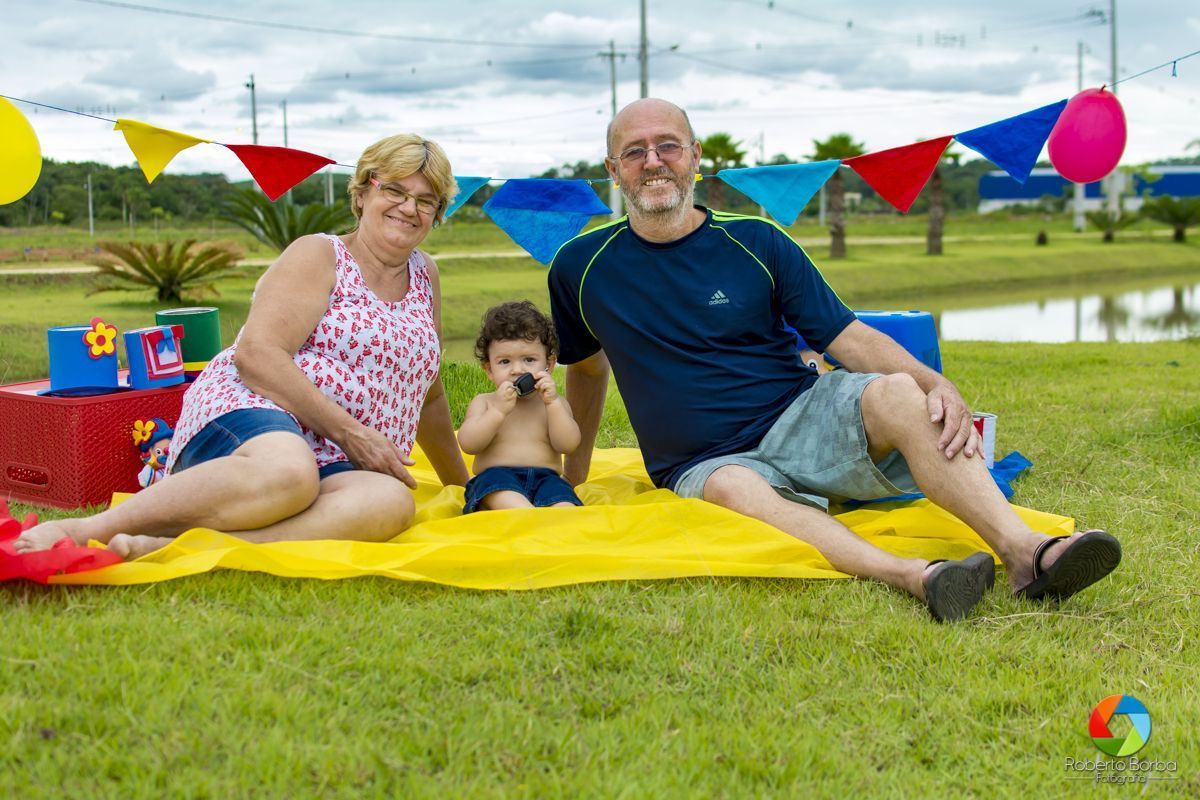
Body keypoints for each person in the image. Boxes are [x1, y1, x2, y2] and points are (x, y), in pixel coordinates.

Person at [547, 98, 1121, 621]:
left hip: (799, 414)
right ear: (613, 169)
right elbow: (587, 369)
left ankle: (1026, 554)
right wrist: (574, 480)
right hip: (703, 461)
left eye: (668, 145)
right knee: (734, 489)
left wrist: (934, 383)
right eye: (634, 151)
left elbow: (846, 336)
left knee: (900, 393)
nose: (653, 161)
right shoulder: (578, 267)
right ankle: (918, 578)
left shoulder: (759, 241)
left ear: (695, 157)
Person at [16, 133, 470, 558]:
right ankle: (85, 529)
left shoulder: (424, 274)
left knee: (389, 502)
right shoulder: (320, 255)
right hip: (257, 414)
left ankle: (179, 547)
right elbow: (257, 356)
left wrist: (466, 489)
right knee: (289, 474)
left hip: (341, 457)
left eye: (425, 200)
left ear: (437, 212)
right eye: (395, 190)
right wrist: (352, 433)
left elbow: (427, 394)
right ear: (363, 192)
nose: (408, 207)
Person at [456, 301, 582, 513]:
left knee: (565, 507)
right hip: (496, 477)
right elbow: (468, 444)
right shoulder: (485, 402)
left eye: (529, 359)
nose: (517, 370)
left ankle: (549, 521)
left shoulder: (554, 403)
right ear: (489, 369)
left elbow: (568, 445)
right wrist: (497, 412)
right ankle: (524, 513)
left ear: (549, 365)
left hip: (546, 480)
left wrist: (552, 405)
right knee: (503, 494)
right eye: (505, 362)